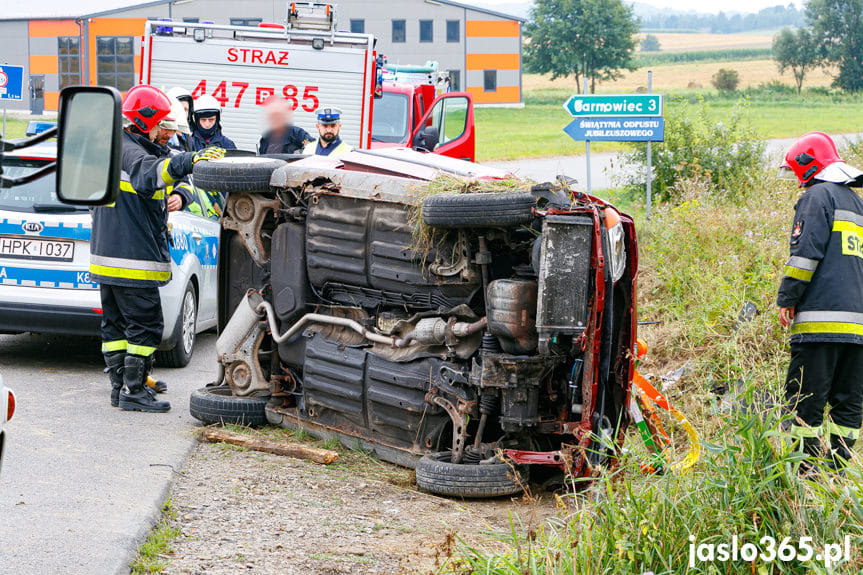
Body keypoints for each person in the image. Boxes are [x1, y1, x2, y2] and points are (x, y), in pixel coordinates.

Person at [92, 84, 225, 413]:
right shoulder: (132, 153)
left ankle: (120, 387)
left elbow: (170, 174)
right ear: (144, 121)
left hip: (110, 257)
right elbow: (153, 172)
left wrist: (184, 193)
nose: (168, 134)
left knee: (116, 327)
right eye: (163, 127)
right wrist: (190, 159)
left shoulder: (128, 145)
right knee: (146, 325)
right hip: (132, 257)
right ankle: (133, 392)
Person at [777, 131, 863, 473]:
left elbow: (804, 256)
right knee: (848, 406)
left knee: (805, 402)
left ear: (806, 167)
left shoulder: (816, 197)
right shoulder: (857, 203)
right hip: (858, 327)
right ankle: (838, 475)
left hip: (820, 325)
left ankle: (806, 475)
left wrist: (787, 298)